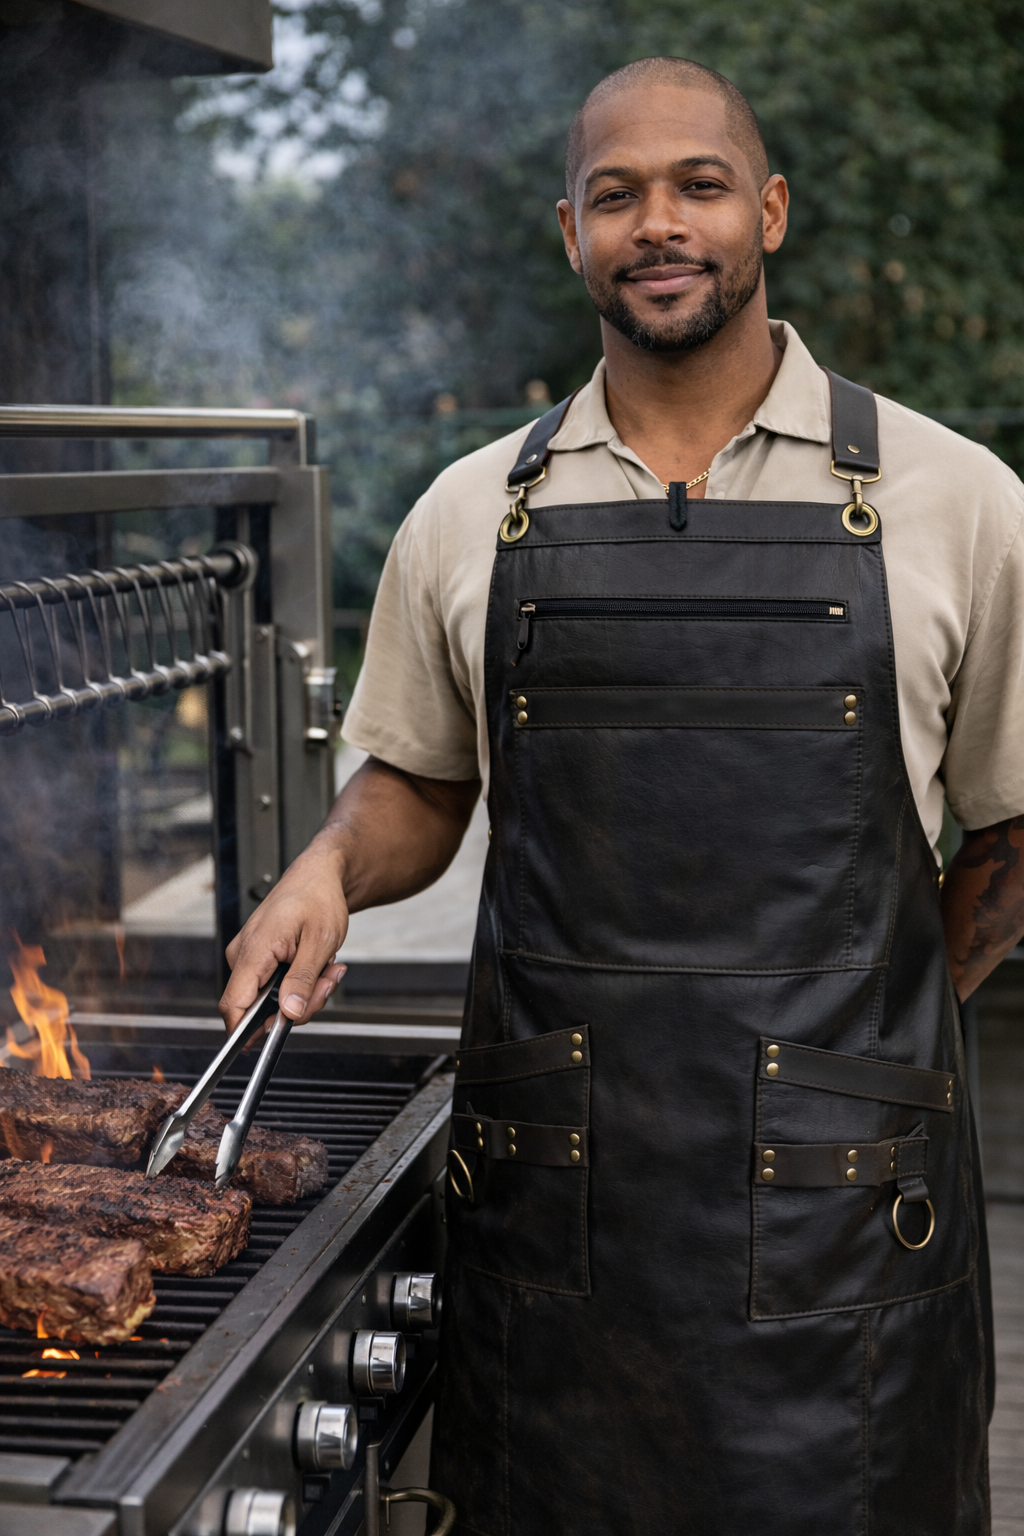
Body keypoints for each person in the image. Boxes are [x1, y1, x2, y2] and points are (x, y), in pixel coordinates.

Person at [220, 56, 1024, 1536]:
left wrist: (894, 1019)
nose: (660, 223)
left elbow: (1017, 828)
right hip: (555, 1228)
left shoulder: (955, 499)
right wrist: (329, 866)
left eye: (699, 185)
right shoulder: (470, 512)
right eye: (616, 195)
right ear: (569, 233)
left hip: (849, 1234)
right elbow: (416, 786)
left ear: (767, 211)